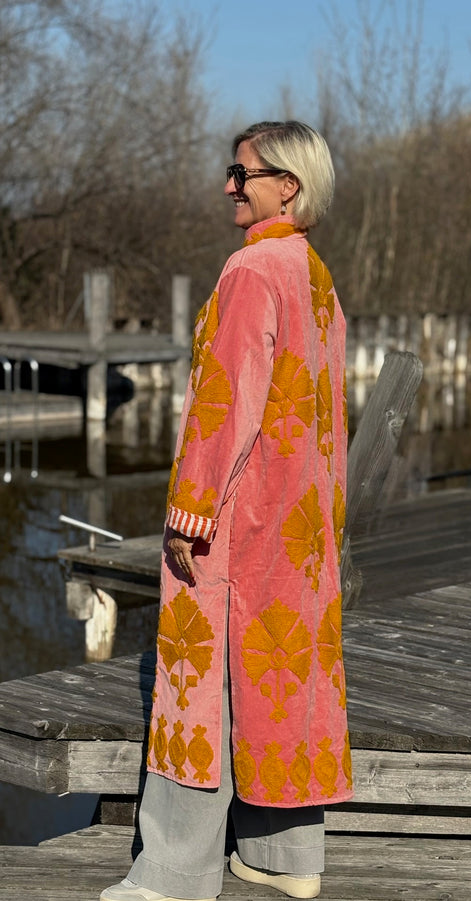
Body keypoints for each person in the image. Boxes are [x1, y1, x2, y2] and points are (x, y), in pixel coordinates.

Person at [100, 120, 353, 901]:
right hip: (300, 524)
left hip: (238, 517)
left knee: (199, 681)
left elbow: (223, 401)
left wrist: (190, 511)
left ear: (289, 185)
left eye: (241, 173)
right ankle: (286, 860)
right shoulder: (315, 277)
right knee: (283, 674)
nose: (228, 185)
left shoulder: (252, 271)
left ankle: (174, 874)